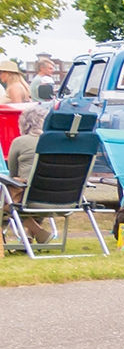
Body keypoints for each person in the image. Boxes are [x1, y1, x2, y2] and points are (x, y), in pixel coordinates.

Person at [2, 103, 52, 244]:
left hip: (30, 196)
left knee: (8, 198)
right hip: (63, 196)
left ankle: (36, 232)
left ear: (24, 124)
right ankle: (28, 237)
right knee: (25, 191)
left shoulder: (19, 142)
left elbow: (12, 173)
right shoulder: (55, 143)